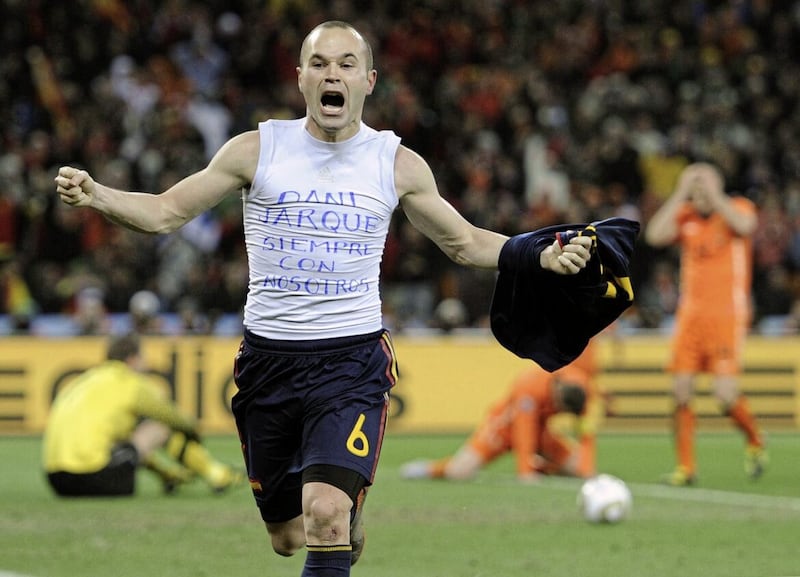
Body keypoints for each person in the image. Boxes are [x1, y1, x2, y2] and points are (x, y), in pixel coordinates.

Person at [54, 21, 594, 575]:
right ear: (300, 79)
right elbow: (167, 211)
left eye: (345, 64)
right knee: (288, 536)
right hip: (269, 364)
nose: (331, 74)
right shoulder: (255, 150)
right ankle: (339, 514)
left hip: (351, 362)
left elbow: (464, 242)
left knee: (325, 514)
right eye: (319, 63)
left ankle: (339, 507)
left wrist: (539, 254)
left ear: (368, 81)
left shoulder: (396, 163)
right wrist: (99, 195)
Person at [644, 162, 767, 486]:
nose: (700, 195)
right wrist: (681, 192)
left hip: (726, 316)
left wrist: (715, 194)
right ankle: (686, 468)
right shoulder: (685, 217)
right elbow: (655, 235)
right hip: (690, 318)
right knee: (680, 391)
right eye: (695, 189)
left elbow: (747, 224)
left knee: (725, 396)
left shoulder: (736, 209)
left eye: (705, 187)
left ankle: (754, 438)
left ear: (718, 187)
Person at [42, 332, 242, 497]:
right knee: (159, 428)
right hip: (96, 478)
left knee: (126, 438)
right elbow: (175, 418)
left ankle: (169, 476)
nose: (145, 364)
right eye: (143, 358)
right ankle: (216, 474)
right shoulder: (131, 383)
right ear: (132, 359)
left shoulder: (82, 381)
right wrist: (194, 432)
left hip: (57, 481)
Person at [400, 342, 601, 483]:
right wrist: (525, 471)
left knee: (579, 469)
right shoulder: (530, 385)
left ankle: (543, 468)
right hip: (504, 427)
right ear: (557, 393)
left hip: (541, 433)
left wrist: (587, 468)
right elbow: (523, 430)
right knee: (459, 472)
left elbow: (587, 432)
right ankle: (431, 469)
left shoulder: (583, 390)